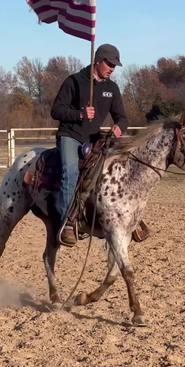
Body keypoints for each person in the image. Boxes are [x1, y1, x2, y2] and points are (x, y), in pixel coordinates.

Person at [51, 43, 128, 247]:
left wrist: (119, 128)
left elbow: (122, 118)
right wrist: (80, 114)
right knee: (70, 172)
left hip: (94, 140)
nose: (112, 68)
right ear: (98, 60)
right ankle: (67, 223)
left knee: (116, 172)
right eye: (109, 64)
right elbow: (56, 111)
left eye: (115, 65)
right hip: (70, 135)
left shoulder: (112, 88)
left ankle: (126, 220)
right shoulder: (74, 81)